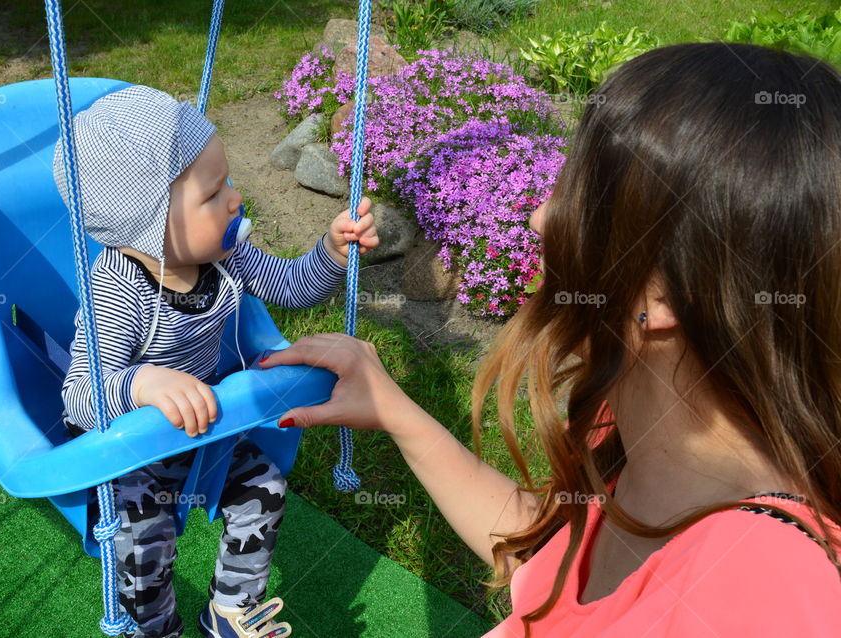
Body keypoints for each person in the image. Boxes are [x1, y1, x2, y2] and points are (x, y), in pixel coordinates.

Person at [258, 42, 841, 637]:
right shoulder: (634, 425)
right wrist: (397, 412)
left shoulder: (763, 594)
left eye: (578, 195)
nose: (539, 218)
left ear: (659, 297)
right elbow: (550, 556)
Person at [53, 85, 379, 638]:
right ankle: (154, 625)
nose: (235, 198)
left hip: (206, 429)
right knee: (141, 541)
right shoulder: (117, 290)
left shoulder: (223, 257)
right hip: (135, 452)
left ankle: (230, 608)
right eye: (213, 194)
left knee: (264, 488)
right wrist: (140, 383)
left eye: (227, 181)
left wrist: (329, 254)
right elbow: (79, 397)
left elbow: (292, 285)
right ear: (149, 224)